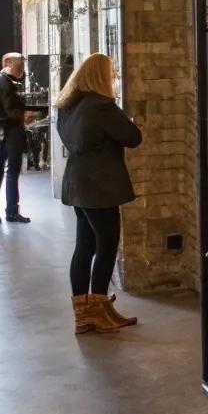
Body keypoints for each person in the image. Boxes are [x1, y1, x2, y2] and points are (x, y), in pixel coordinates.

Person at [55, 53, 142, 337]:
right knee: (106, 245)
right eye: (112, 73)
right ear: (101, 77)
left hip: (77, 182)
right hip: (100, 187)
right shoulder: (103, 107)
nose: (114, 77)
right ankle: (100, 310)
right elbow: (133, 137)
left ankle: (84, 314)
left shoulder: (68, 105)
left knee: (84, 247)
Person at [0, 51, 31, 227]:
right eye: (19, 65)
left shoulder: (0, 82)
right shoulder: (2, 82)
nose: (21, 69)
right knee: (9, 171)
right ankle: (8, 211)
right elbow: (12, 112)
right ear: (7, 63)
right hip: (7, 131)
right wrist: (27, 114)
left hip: (4, 131)